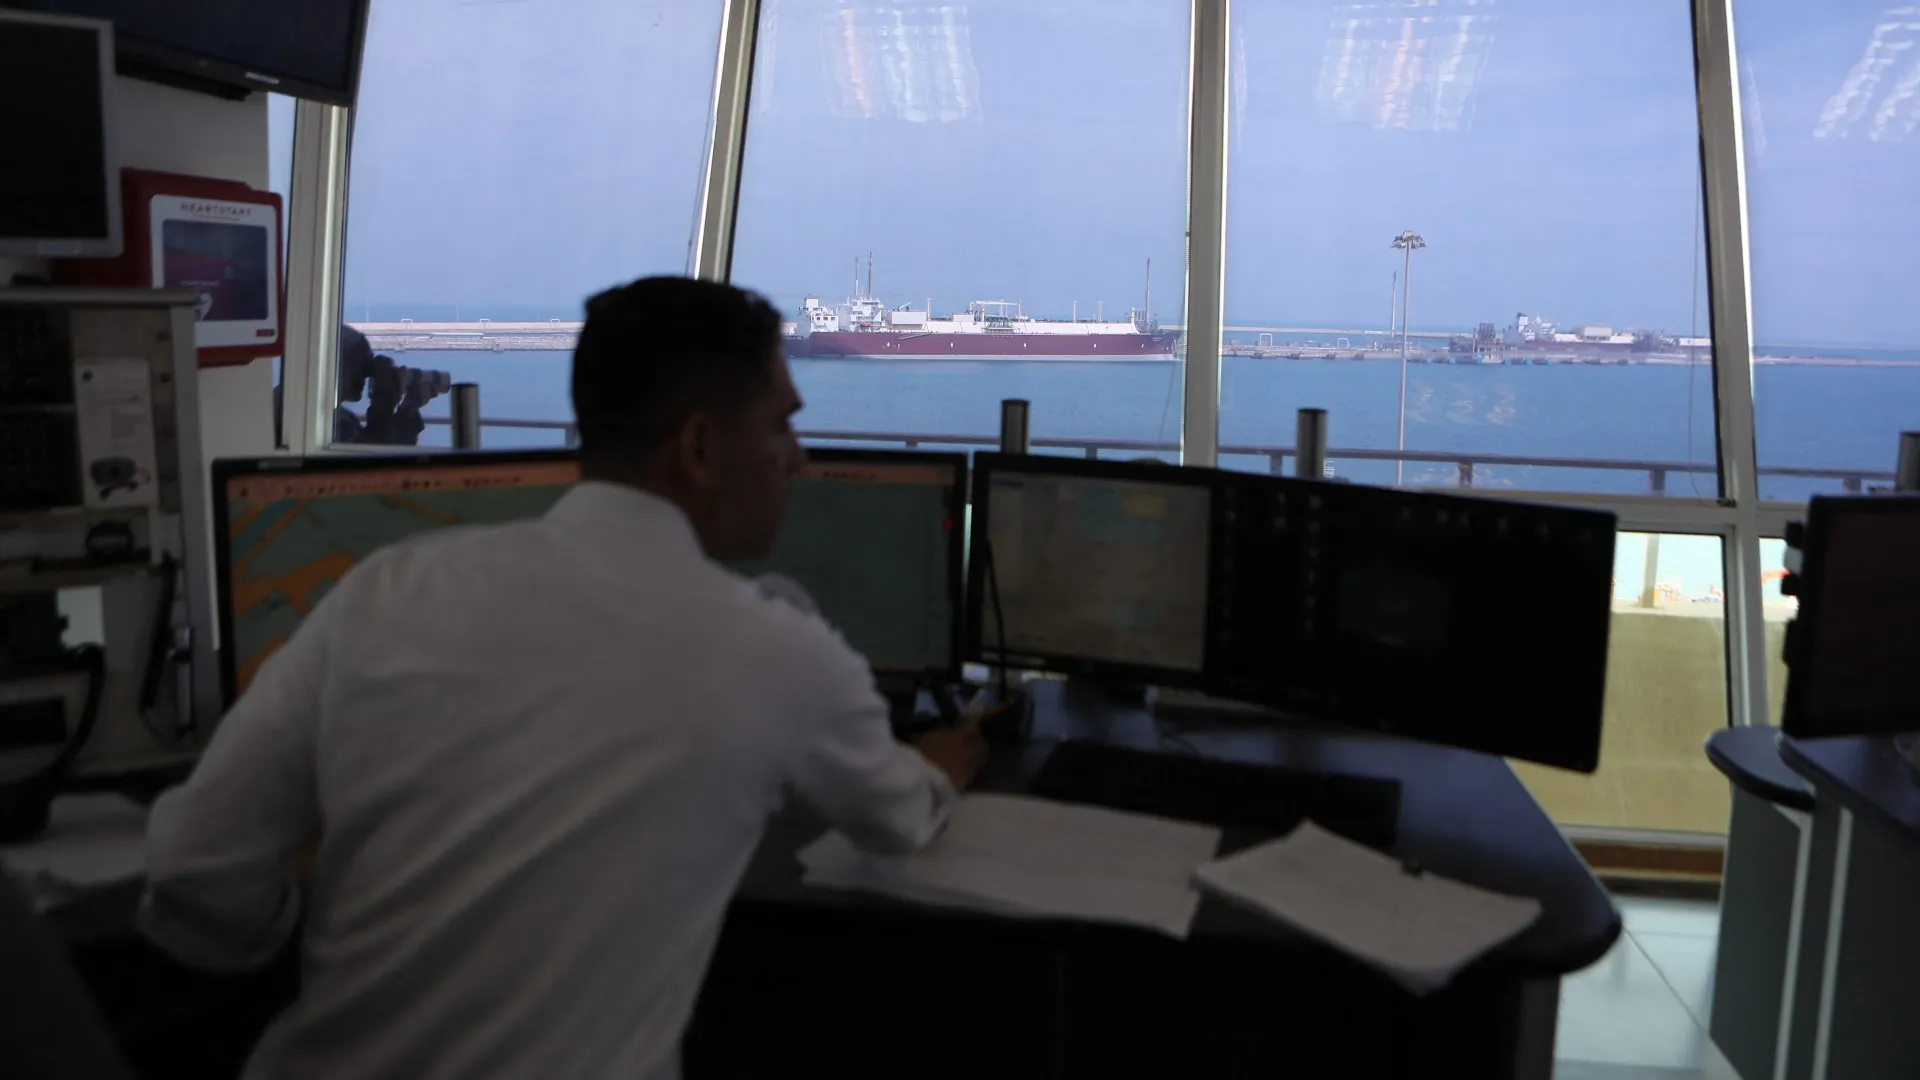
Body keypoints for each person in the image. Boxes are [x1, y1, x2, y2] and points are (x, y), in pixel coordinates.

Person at [140, 277, 988, 1080]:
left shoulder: (390, 588)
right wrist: (942, 768)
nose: (796, 458)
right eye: (782, 426)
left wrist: (309, 901)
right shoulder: (784, 652)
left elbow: (193, 870)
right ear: (699, 446)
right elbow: (896, 817)